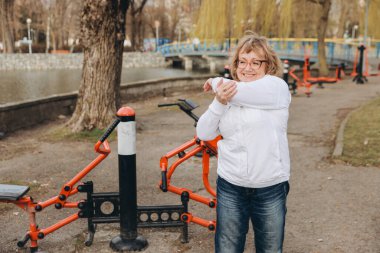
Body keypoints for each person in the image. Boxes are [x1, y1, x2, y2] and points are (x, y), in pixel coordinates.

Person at [196, 33, 291, 253]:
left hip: (269, 186)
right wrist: (219, 102)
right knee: (227, 248)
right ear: (235, 65)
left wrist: (214, 81)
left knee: (269, 249)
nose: (248, 68)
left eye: (255, 62)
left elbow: (240, 92)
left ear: (268, 65)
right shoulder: (227, 94)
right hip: (231, 186)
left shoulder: (276, 88)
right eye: (242, 61)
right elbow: (204, 132)